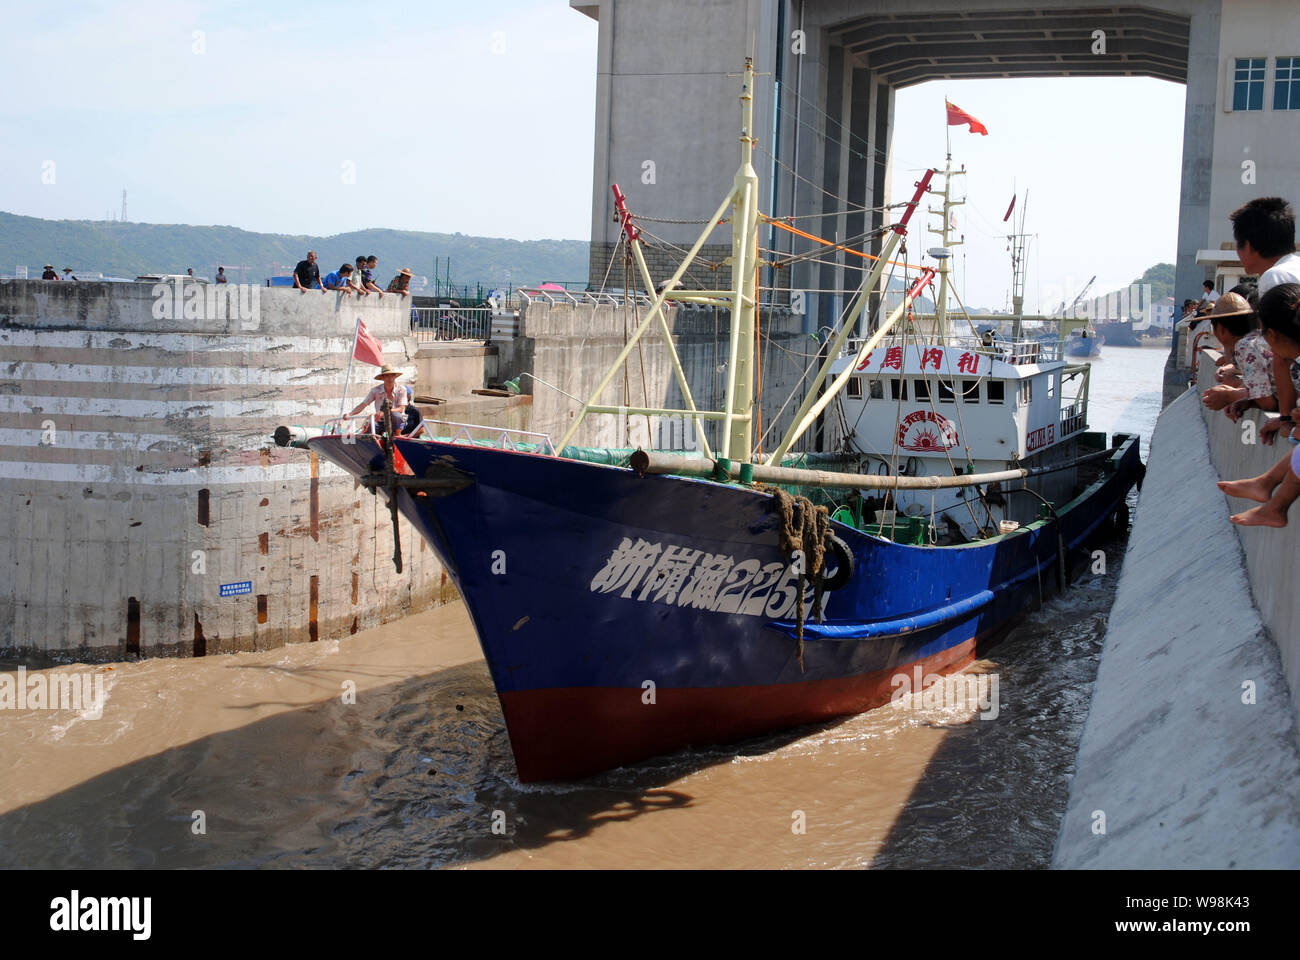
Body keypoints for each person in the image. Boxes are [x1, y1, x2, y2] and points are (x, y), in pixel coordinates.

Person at [1217, 284, 1300, 527]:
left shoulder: (1247, 348)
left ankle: (1275, 505)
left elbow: (1267, 399)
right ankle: (1266, 485)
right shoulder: (1290, 361)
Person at [1232, 197, 1299, 441]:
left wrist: (1285, 420)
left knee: (1248, 345)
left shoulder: (1275, 277)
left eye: (1238, 246)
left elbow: (1282, 352)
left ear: (1248, 245)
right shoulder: (1295, 266)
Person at [1202, 293, 1275, 419]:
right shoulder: (1257, 339)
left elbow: (1268, 402)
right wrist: (1245, 400)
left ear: (1221, 329)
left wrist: (1230, 395)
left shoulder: (1244, 346)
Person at [343, 364, 421, 435]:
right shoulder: (375, 390)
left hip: (397, 422)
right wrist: (350, 414)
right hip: (380, 421)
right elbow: (363, 404)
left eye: (392, 376)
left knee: (396, 415)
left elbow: (401, 409)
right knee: (370, 427)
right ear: (383, 377)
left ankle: (398, 436)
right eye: (387, 376)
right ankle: (373, 442)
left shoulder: (402, 390)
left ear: (395, 377)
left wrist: (385, 412)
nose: (390, 378)